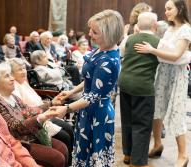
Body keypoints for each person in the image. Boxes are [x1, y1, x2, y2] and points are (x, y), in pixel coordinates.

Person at [51, 9, 124, 166]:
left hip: (98, 114)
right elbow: (91, 80)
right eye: (90, 29)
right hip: (87, 109)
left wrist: (67, 108)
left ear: (109, 34)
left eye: (95, 32)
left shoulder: (109, 60)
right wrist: (70, 92)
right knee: (83, 153)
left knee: (94, 157)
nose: (90, 34)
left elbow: (93, 96)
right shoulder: (101, 49)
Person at [134, 0, 191, 166]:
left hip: (177, 76)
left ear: (179, 8)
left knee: (176, 112)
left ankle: (182, 155)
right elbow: (152, 31)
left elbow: (175, 55)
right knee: (157, 109)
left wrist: (151, 50)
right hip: (163, 72)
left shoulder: (186, 29)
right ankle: (158, 144)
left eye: (169, 8)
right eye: (165, 8)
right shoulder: (169, 28)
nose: (165, 12)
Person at [0, 63, 69, 167]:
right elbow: (14, 128)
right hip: (19, 143)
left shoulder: (13, 97)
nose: (12, 79)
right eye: (7, 76)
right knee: (57, 158)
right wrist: (40, 118)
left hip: (31, 135)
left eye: (11, 75)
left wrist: (51, 104)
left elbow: (29, 111)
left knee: (63, 147)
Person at [118, 12, 159, 167]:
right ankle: (138, 162)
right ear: (154, 24)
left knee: (127, 120)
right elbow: (172, 57)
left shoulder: (129, 39)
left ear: (138, 26)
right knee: (142, 124)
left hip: (125, 82)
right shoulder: (158, 41)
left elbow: (121, 53)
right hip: (143, 86)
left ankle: (128, 155)